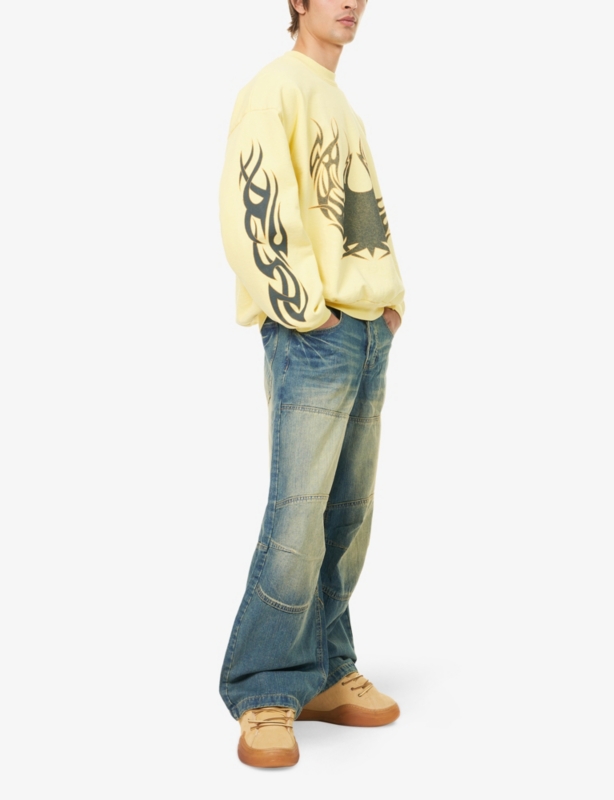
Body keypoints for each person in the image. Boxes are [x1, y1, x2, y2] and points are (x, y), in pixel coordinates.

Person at [218, 0, 405, 768]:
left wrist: (389, 302)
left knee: (347, 513)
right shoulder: (274, 90)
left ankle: (325, 669)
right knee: (297, 515)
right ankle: (263, 686)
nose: (351, 3)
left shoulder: (340, 104)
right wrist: (307, 311)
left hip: (364, 332)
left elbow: (362, 212)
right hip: (314, 334)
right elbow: (253, 209)